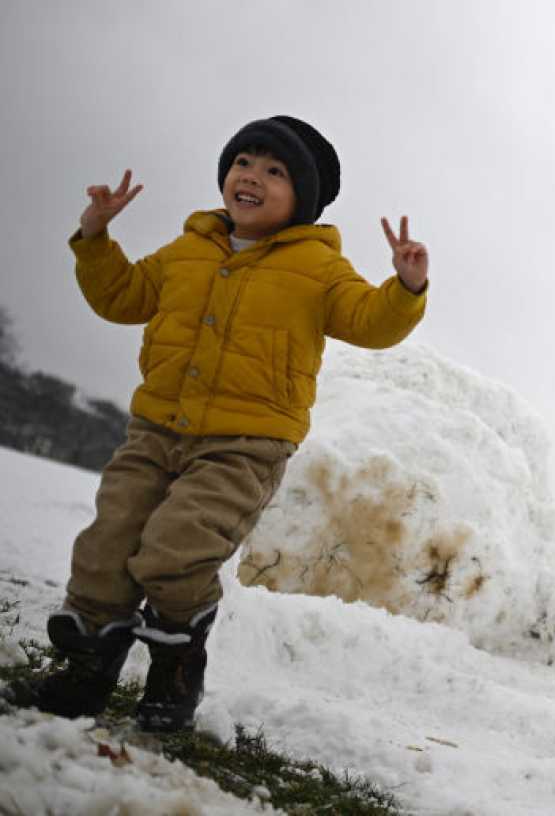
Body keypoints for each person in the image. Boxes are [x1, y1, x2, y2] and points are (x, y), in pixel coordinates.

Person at [6, 115, 428, 732]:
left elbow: (371, 321)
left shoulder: (317, 269)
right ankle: (85, 673)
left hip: (245, 444)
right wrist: (95, 239)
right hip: (156, 431)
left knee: (175, 553)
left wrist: (406, 286)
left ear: (300, 200)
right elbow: (121, 297)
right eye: (243, 162)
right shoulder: (188, 249)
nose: (251, 176)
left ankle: (175, 673)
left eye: (274, 171)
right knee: (104, 550)